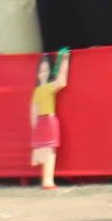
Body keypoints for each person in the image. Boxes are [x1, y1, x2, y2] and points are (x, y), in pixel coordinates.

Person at [30, 48, 71, 190]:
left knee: (49, 151)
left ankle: (48, 180)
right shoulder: (37, 90)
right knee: (45, 151)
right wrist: (34, 129)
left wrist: (64, 60)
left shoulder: (49, 87)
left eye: (46, 70)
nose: (43, 73)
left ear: (50, 71)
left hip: (49, 121)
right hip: (42, 123)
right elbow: (33, 110)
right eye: (41, 70)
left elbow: (62, 81)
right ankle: (46, 180)